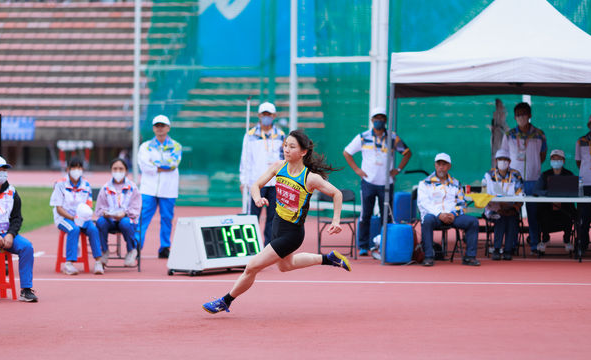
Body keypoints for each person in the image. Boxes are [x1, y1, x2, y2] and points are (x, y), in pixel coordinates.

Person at [202, 130, 351, 314]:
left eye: (291, 146)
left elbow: (337, 193)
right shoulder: (278, 167)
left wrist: (335, 220)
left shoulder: (309, 178)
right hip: (276, 225)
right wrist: (257, 198)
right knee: (285, 266)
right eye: (285, 145)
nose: (286, 149)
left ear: (303, 152)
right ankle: (329, 259)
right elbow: (256, 185)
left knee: (252, 266)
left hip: (291, 234)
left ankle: (225, 301)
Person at [343, 107, 412, 256]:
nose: (379, 121)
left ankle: (385, 244)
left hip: (386, 183)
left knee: (386, 215)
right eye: (376, 118)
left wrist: (397, 170)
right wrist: (357, 170)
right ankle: (363, 245)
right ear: (371, 120)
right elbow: (347, 152)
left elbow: (407, 153)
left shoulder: (393, 138)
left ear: (386, 120)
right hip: (368, 182)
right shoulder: (363, 137)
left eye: (381, 118)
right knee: (365, 214)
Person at [417, 153, 480, 267]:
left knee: (473, 221)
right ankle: (429, 257)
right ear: (435, 165)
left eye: (444, 164)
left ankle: (470, 257)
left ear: (449, 166)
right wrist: (439, 214)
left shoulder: (456, 184)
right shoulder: (424, 183)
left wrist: (453, 214)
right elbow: (423, 203)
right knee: (427, 220)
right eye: (438, 164)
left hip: (452, 217)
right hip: (434, 216)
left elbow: (462, 203)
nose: (441, 167)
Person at [501, 102, 547, 254]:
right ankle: (511, 245)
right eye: (518, 114)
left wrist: (534, 166)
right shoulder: (509, 135)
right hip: (514, 180)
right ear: (514, 117)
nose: (521, 117)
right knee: (513, 212)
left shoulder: (539, 134)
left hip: (534, 179)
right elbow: (504, 156)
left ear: (530, 115)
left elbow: (542, 155)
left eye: (524, 114)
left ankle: (534, 245)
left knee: (533, 214)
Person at [239, 102, 285, 245]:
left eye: (269, 115)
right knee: (252, 216)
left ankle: (268, 248)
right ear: (259, 116)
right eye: (264, 114)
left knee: (273, 217)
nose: (266, 117)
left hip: (275, 182)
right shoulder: (250, 135)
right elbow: (245, 159)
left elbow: (284, 159)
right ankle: (250, 247)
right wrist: (244, 181)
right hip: (256, 182)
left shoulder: (281, 135)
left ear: (274, 116)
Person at [0, 155, 38, 303]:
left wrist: (11, 235)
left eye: (4, 169)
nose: (2, 173)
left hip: (7, 234)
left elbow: (17, 218)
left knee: (26, 247)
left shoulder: (12, 192)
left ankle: (26, 290)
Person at [50, 157, 104, 275]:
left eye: (79, 167)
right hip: (63, 218)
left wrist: (83, 216)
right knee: (73, 229)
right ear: (68, 169)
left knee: (93, 229)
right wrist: (73, 218)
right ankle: (69, 264)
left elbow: (88, 205)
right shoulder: (60, 184)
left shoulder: (86, 185)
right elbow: (59, 208)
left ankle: (98, 262)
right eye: (74, 167)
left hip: (82, 217)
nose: (77, 170)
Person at [138, 114, 182, 258]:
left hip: (168, 189)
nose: (160, 128)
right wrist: (159, 167)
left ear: (168, 128)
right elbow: (144, 165)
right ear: (153, 128)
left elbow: (172, 164)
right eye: (157, 126)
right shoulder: (145, 146)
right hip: (148, 188)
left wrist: (154, 165)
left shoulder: (176, 146)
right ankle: (137, 245)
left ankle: (164, 247)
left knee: (166, 218)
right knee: (143, 217)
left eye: (162, 126)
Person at [95, 158, 142, 267]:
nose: (118, 171)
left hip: (127, 220)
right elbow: (99, 209)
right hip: (110, 221)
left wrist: (124, 214)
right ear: (111, 170)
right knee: (101, 222)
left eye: (121, 169)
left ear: (126, 170)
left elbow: (136, 209)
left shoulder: (132, 187)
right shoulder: (106, 188)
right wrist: (105, 213)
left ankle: (131, 251)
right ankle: (104, 251)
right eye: (115, 169)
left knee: (125, 223)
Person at [483, 149, 524, 261]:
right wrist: (497, 208)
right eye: (500, 159)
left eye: (505, 159)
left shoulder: (516, 175)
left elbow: (520, 195)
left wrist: (514, 208)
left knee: (511, 218)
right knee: (500, 217)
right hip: (493, 208)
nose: (503, 162)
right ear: (496, 161)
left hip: (511, 208)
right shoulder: (489, 175)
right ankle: (497, 249)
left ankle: (508, 250)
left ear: (509, 161)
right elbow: (485, 194)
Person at [534, 149, 576, 253]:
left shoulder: (569, 174)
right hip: (548, 207)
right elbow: (536, 190)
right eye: (553, 159)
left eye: (558, 159)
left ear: (563, 161)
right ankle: (544, 239)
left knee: (570, 212)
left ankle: (567, 240)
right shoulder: (545, 175)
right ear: (550, 161)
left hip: (564, 208)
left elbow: (574, 191)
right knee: (540, 212)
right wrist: (548, 193)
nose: (556, 161)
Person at [575, 113, 591, 253]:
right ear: (589, 125)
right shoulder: (580, 141)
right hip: (585, 183)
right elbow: (578, 162)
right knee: (583, 217)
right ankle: (583, 244)